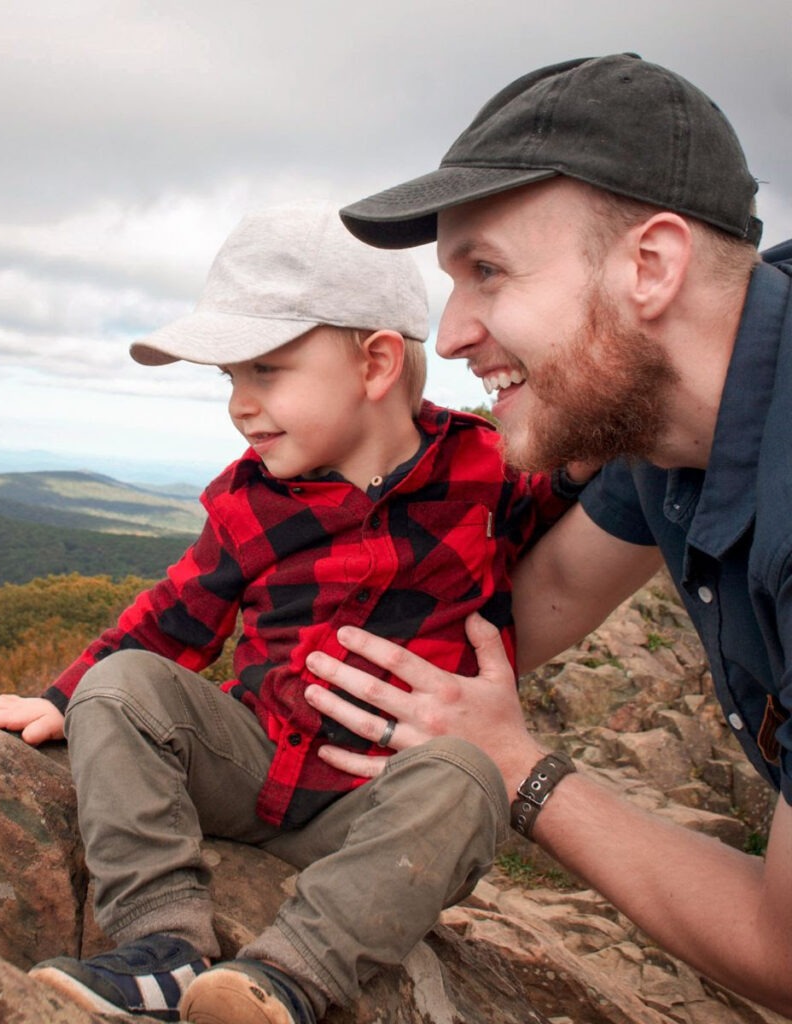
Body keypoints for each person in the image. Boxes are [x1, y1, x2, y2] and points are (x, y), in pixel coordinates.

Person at [0, 198, 574, 1023]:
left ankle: (284, 980)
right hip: (252, 767)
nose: (239, 405)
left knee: (468, 777)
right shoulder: (247, 500)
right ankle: (161, 947)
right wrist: (61, 697)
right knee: (121, 685)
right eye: (231, 379)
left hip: (376, 800)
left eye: (265, 371)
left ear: (375, 365)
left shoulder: (486, 469)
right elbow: (174, 616)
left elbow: (581, 479)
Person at [295, 54, 792, 1016]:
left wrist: (518, 767)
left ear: (652, 266)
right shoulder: (669, 420)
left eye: (486, 270)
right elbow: (546, 594)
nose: (449, 334)